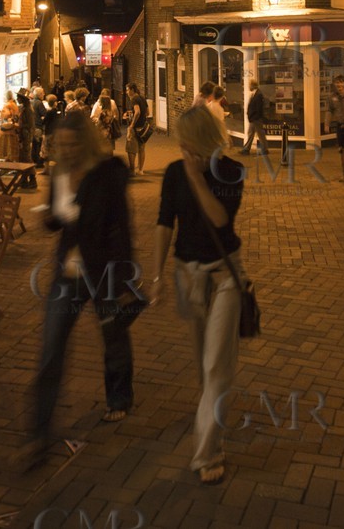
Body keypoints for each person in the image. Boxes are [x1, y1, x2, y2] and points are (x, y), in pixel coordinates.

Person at [22, 109, 137, 467]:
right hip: (67, 273)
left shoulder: (105, 175)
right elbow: (58, 222)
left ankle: (119, 396)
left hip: (103, 271)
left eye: (72, 144)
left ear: (84, 142)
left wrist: (124, 279)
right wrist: (48, 217)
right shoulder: (58, 173)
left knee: (113, 335)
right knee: (51, 347)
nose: (67, 151)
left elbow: (122, 227)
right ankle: (39, 432)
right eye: (61, 145)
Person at [150, 106, 247, 485]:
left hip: (224, 276)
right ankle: (211, 414)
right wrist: (156, 275)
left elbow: (220, 219)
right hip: (187, 274)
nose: (185, 151)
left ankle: (208, 453)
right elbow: (164, 222)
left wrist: (195, 176)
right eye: (182, 145)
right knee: (202, 363)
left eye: (190, 144)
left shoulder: (232, 172)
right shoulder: (174, 172)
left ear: (206, 141)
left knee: (216, 365)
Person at [123, 82, 150, 175]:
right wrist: (130, 114)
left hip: (135, 128)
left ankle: (132, 171)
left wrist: (132, 125)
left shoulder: (134, 99)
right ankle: (140, 170)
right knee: (141, 148)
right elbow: (147, 112)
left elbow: (137, 112)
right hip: (142, 128)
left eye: (127, 90)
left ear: (132, 90)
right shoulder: (142, 98)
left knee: (131, 150)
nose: (126, 92)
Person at [91, 88, 120, 154]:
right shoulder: (111, 103)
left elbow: (93, 116)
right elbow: (116, 115)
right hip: (109, 130)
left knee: (102, 148)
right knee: (109, 148)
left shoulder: (100, 107)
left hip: (102, 130)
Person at [242, 80, 264, 156]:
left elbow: (258, 108)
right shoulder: (254, 94)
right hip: (254, 118)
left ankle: (247, 149)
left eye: (249, 85)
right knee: (252, 133)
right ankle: (246, 149)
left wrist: (254, 117)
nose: (248, 87)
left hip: (255, 118)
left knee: (259, 134)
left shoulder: (258, 95)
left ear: (252, 85)